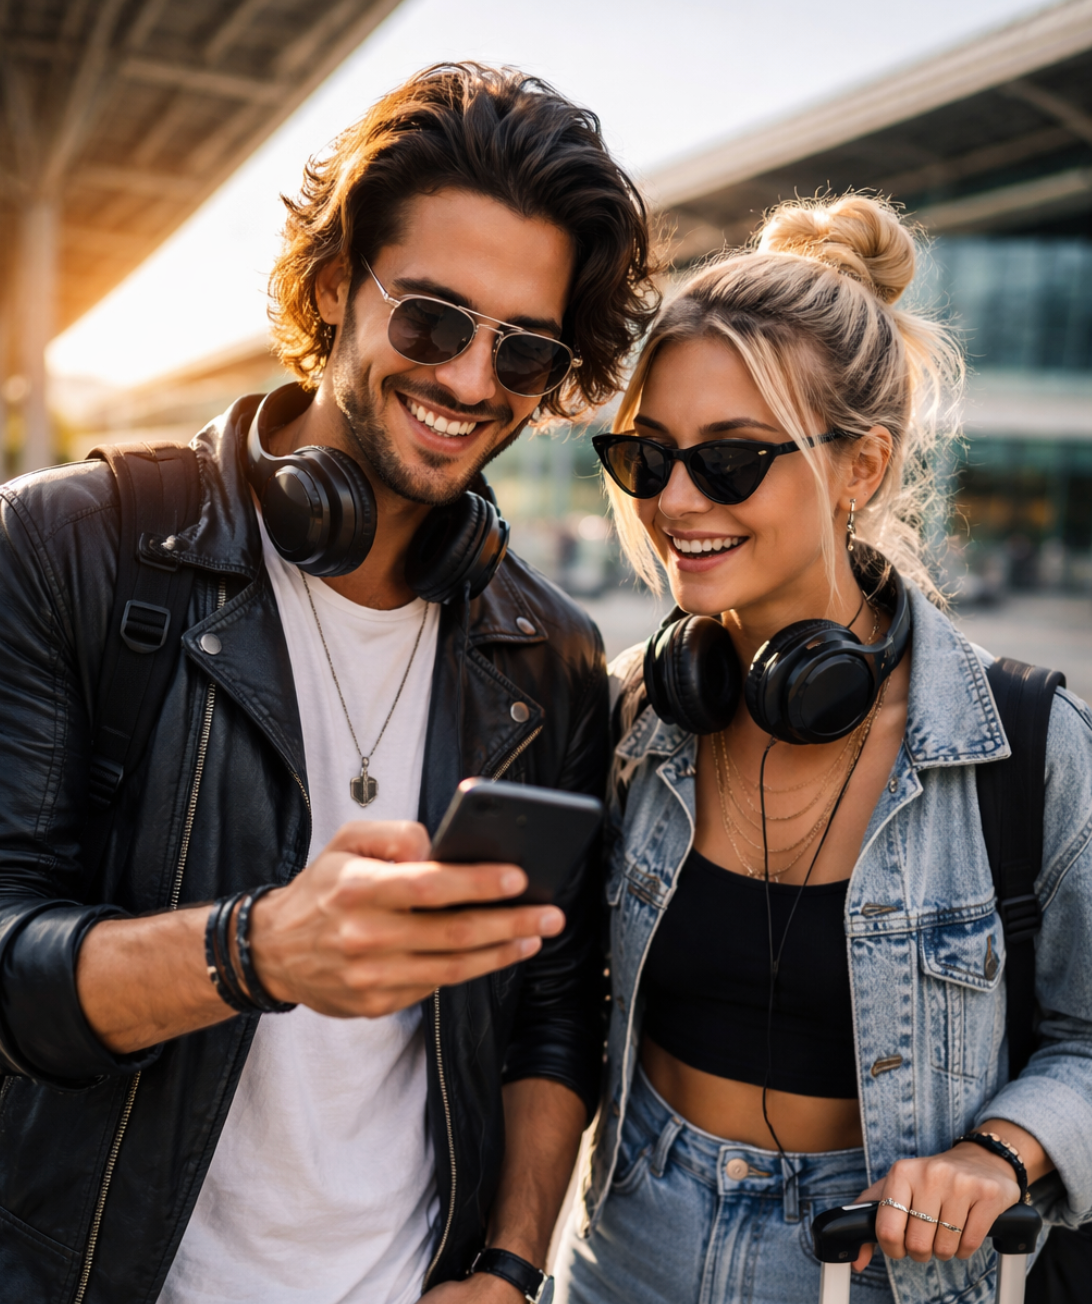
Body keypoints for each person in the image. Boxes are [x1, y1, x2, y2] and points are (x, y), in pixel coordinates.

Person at [0, 64, 658, 1304]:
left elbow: (554, 1008)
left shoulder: (552, 652)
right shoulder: (68, 548)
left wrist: (513, 1266)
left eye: (523, 349)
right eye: (430, 320)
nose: (471, 380)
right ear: (330, 285)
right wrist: (253, 950)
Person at [553, 193, 1092, 1304]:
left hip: (880, 1262)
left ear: (861, 468)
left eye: (733, 461)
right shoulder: (634, 713)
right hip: (630, 1237)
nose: (676, 500)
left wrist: (999, 1152)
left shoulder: (1030, 748)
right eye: (646, 456)